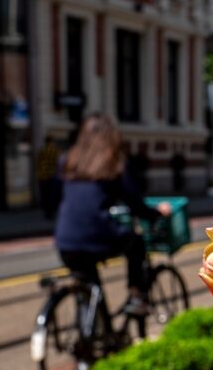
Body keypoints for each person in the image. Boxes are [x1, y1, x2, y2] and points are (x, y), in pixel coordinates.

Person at [54, 114, 167, 316]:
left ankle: (93, 331)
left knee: (89, 287)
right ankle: (136, 296)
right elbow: (135, 202)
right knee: (137, 243)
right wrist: (156, 213)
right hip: (97, 235)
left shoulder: (66, 161)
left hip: (65, 239)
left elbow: (54, 197)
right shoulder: (113, 163)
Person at [36, 135, 62, 219]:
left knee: (45, 195)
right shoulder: (56, 151)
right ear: (51, 141)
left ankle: (47, 212)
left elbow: (38, 163)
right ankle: (51, 212)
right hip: (52, 176)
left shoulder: (42, 151)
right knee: (52, 195)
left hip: (42, 176)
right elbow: (59, 163)